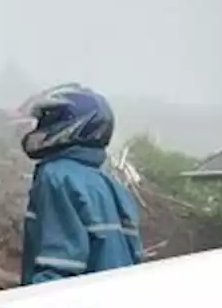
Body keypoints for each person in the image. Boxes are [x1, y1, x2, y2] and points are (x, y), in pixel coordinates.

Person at [20, 84, 143, 285]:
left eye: (49, 119)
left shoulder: (56, 176)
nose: (40, 127)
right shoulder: (113, 185)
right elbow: (135, 256)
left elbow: (59, 266)